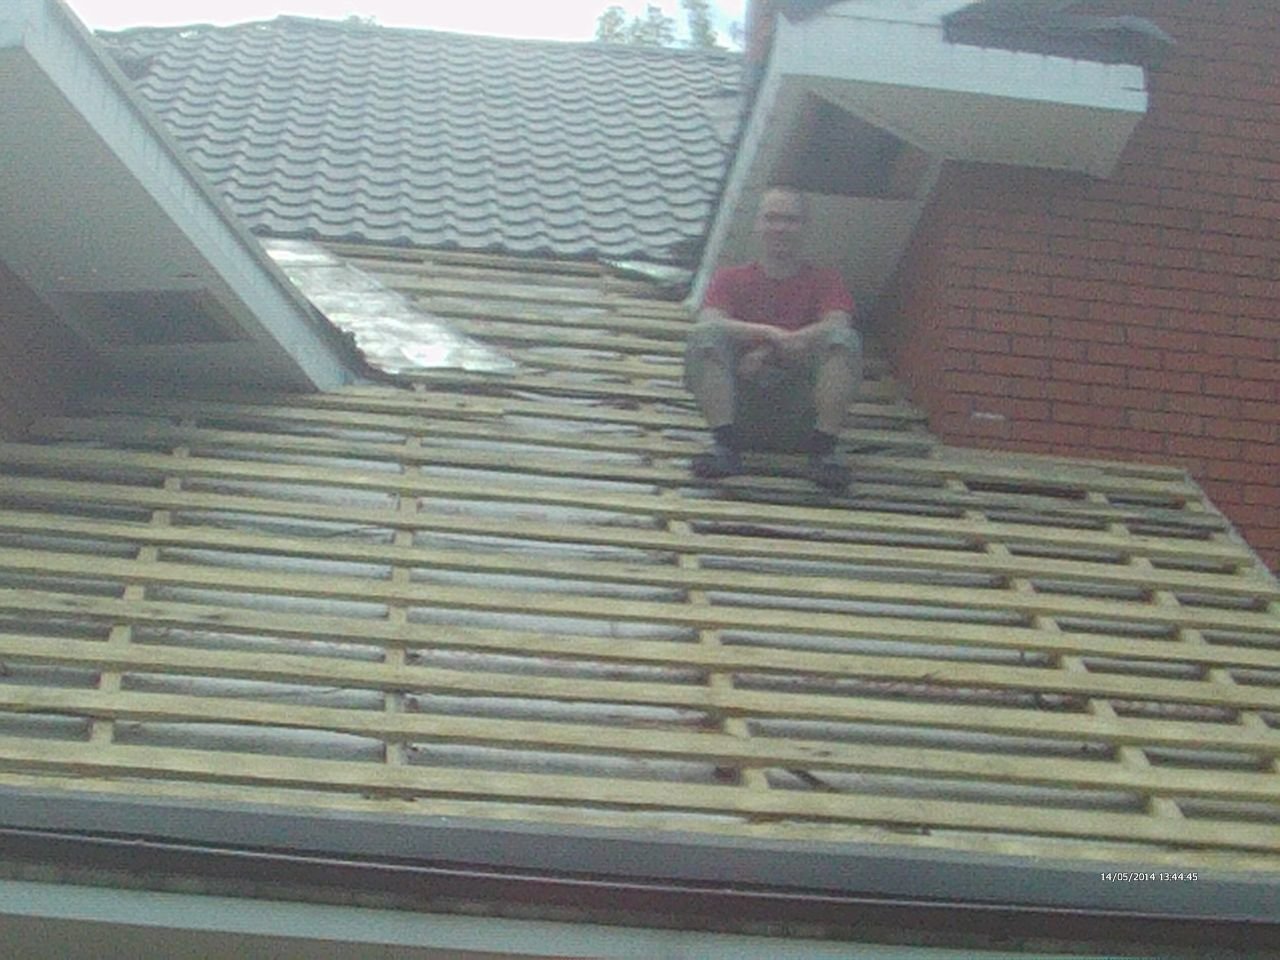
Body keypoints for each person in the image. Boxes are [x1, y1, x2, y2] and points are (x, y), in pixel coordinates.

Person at [683, 185, 863, 491]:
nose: (780, 227)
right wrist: (769, 332)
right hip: (740, 415)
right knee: (704, 337)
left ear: (805, 226)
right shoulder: (729, 278)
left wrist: (767, 350)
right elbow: (709, 322)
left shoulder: (825, 280)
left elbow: (838, 322)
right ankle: (724, 447)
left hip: (801, 418)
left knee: (843, 340)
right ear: (757, 224)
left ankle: (824, 453)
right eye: (771, 218)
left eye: (790, 219)